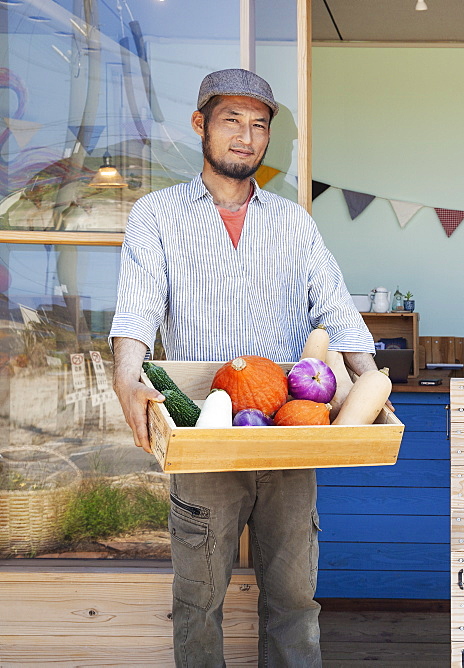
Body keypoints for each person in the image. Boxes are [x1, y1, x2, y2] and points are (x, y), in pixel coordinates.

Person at [110, 68, 380, 667]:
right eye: (231, 120)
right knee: (197, 598)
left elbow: (336, 307)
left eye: (259, 125)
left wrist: (370, 381)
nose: (246, 136)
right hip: (206, 438)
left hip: (290, 430)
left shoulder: (293, 222)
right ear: (201, 124)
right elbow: (138, 308)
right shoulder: (158, 215)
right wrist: (127, 377)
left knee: (293, 598)